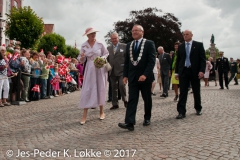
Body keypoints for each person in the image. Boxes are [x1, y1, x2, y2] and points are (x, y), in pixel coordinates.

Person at [118, 24, 156, 131]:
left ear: (142, 32)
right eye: (133, 31)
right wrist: (125, 75)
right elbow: (127, 62)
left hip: (145, 77)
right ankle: (129, 122)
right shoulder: (129, 44)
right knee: (132, 100)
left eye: (136, 30)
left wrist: (145, 74)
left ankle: (147, 117)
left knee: (147, 99)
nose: (134, 32)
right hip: (133, 78)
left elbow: (151, 61)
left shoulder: (149, 43)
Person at [78, 27, 109, 125]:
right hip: (90, 68)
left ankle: (101, 111)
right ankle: (84, 115)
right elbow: (80, 59)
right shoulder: (84, 45)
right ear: (87, 35)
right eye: (91, 33)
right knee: (87, 89)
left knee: (101, 88)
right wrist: (82, 57)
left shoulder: (100, 44)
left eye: (94, 33)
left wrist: (102, 58)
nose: (93, 35)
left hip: (99, 68)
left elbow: (106, 53)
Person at [175, 29, 206, 119]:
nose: (185, 36)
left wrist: (202, 71)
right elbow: (178, 60)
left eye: (187, 34)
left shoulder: (198, 45)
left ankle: (198, 108)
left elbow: (202, 59)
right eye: (184, 34)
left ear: (191, 35)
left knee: (196, 91)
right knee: (183, 92)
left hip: (195, 71)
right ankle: (181, 111)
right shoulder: (181, 46)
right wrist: (177, 72)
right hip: (184, 71)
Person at [107, 32, 128, 110]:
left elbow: (127, 58)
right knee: (113, 88)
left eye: (115, 38)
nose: (114, 40)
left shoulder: (124, 46)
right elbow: (107, 59)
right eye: (112, 39)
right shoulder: (108, 48)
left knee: (122, 85)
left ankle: (125, 100)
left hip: (122, 70)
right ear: (110, 40)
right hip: (112, 71)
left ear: (118, 38)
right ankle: (115, 104)